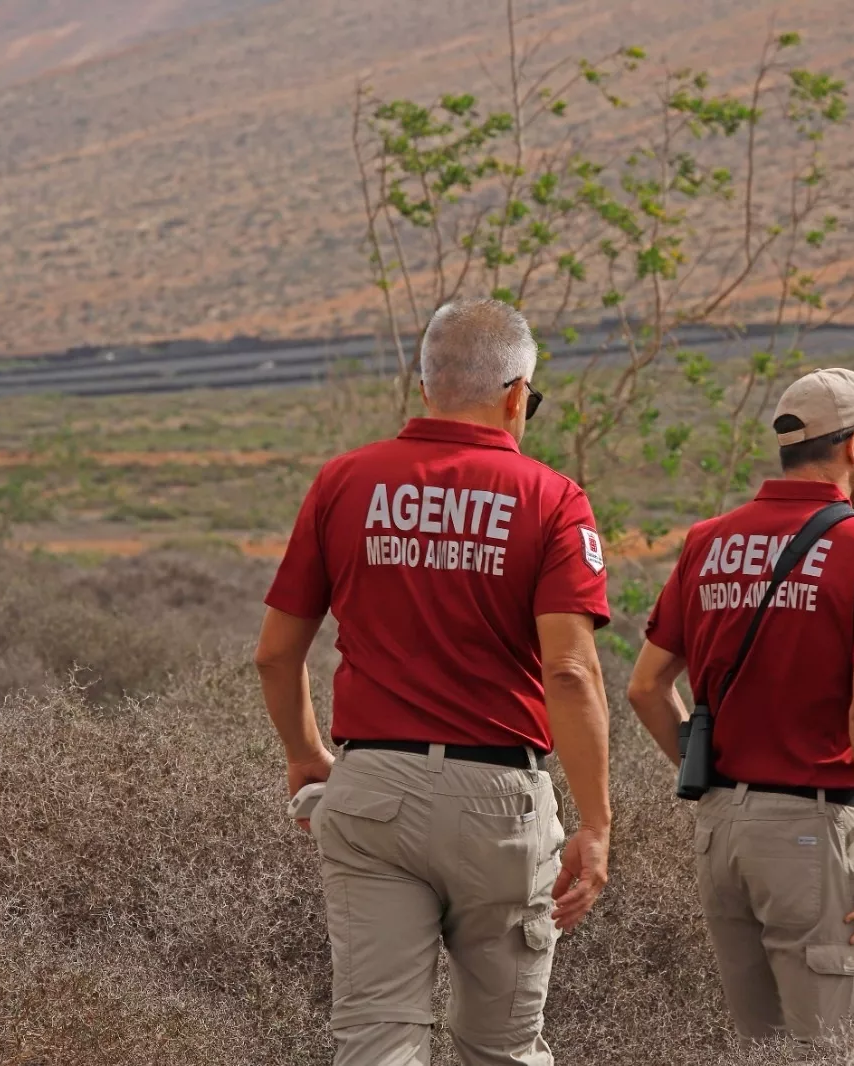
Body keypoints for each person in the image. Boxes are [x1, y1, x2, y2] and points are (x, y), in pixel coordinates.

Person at [255, 297, 613, 1066]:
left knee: (376, 1037)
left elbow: (276, 655)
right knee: (502, 1048)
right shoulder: (552, 499)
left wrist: (306, 754)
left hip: (372, 789)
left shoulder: (344, 482)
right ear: (517, 395)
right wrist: (596, 822)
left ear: (425, 388)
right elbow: (570, 671)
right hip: (499, 804)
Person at [624, 367, 854, 1043]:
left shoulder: (708, 541)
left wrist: (712, 782)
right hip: (812, 833)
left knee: (757, 1048)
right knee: (831, 1049)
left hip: (721, 834)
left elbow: (645, 687)